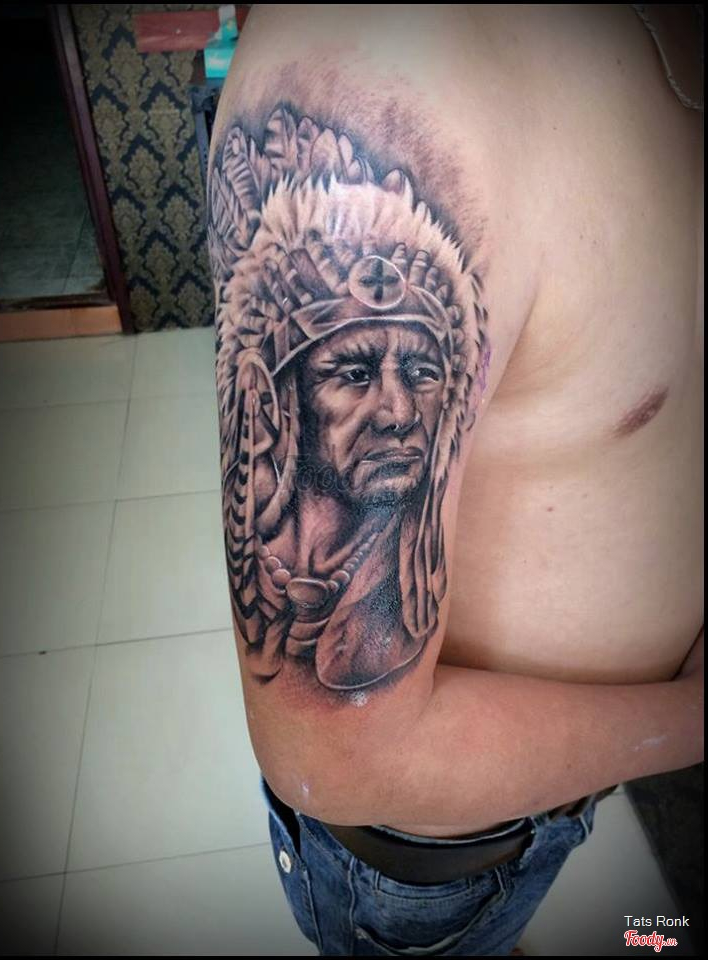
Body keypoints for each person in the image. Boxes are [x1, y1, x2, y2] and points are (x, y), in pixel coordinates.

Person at [207, 4, 703, 955]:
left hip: (555, 788)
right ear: (283, 404)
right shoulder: (384, 76)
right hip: (435, 866)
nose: (398, 409)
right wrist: (686, 719)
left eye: (421, 370)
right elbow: (339, 762)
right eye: (354, 371)